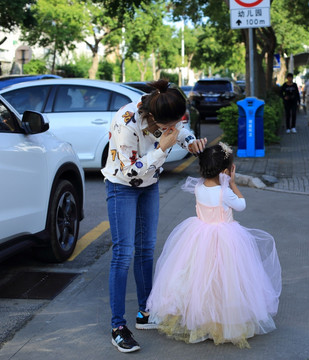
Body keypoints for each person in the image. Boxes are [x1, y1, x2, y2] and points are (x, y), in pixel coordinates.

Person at [101, 79, 207, 353]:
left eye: (176, 123)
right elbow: (129, 172)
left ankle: (145, 313)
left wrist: (191, 143)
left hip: (149, 186)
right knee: (124, 253)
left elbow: (182, 131)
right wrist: (161, 150)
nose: (173, 129)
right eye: (167, 126)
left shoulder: (169, 116)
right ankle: (118, 327)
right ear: (152, 116)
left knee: (147, 249)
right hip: (122, 186)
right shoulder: (126, 121)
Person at [145, 143, 281, 348]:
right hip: (226, 239)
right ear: (226, 171)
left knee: (199, 279)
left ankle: (200, 319)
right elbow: (241, 205)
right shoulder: (224, 192)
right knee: (226, 281)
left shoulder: (198, 187)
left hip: (199, 235)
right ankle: (225, 321)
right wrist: (233, 183)